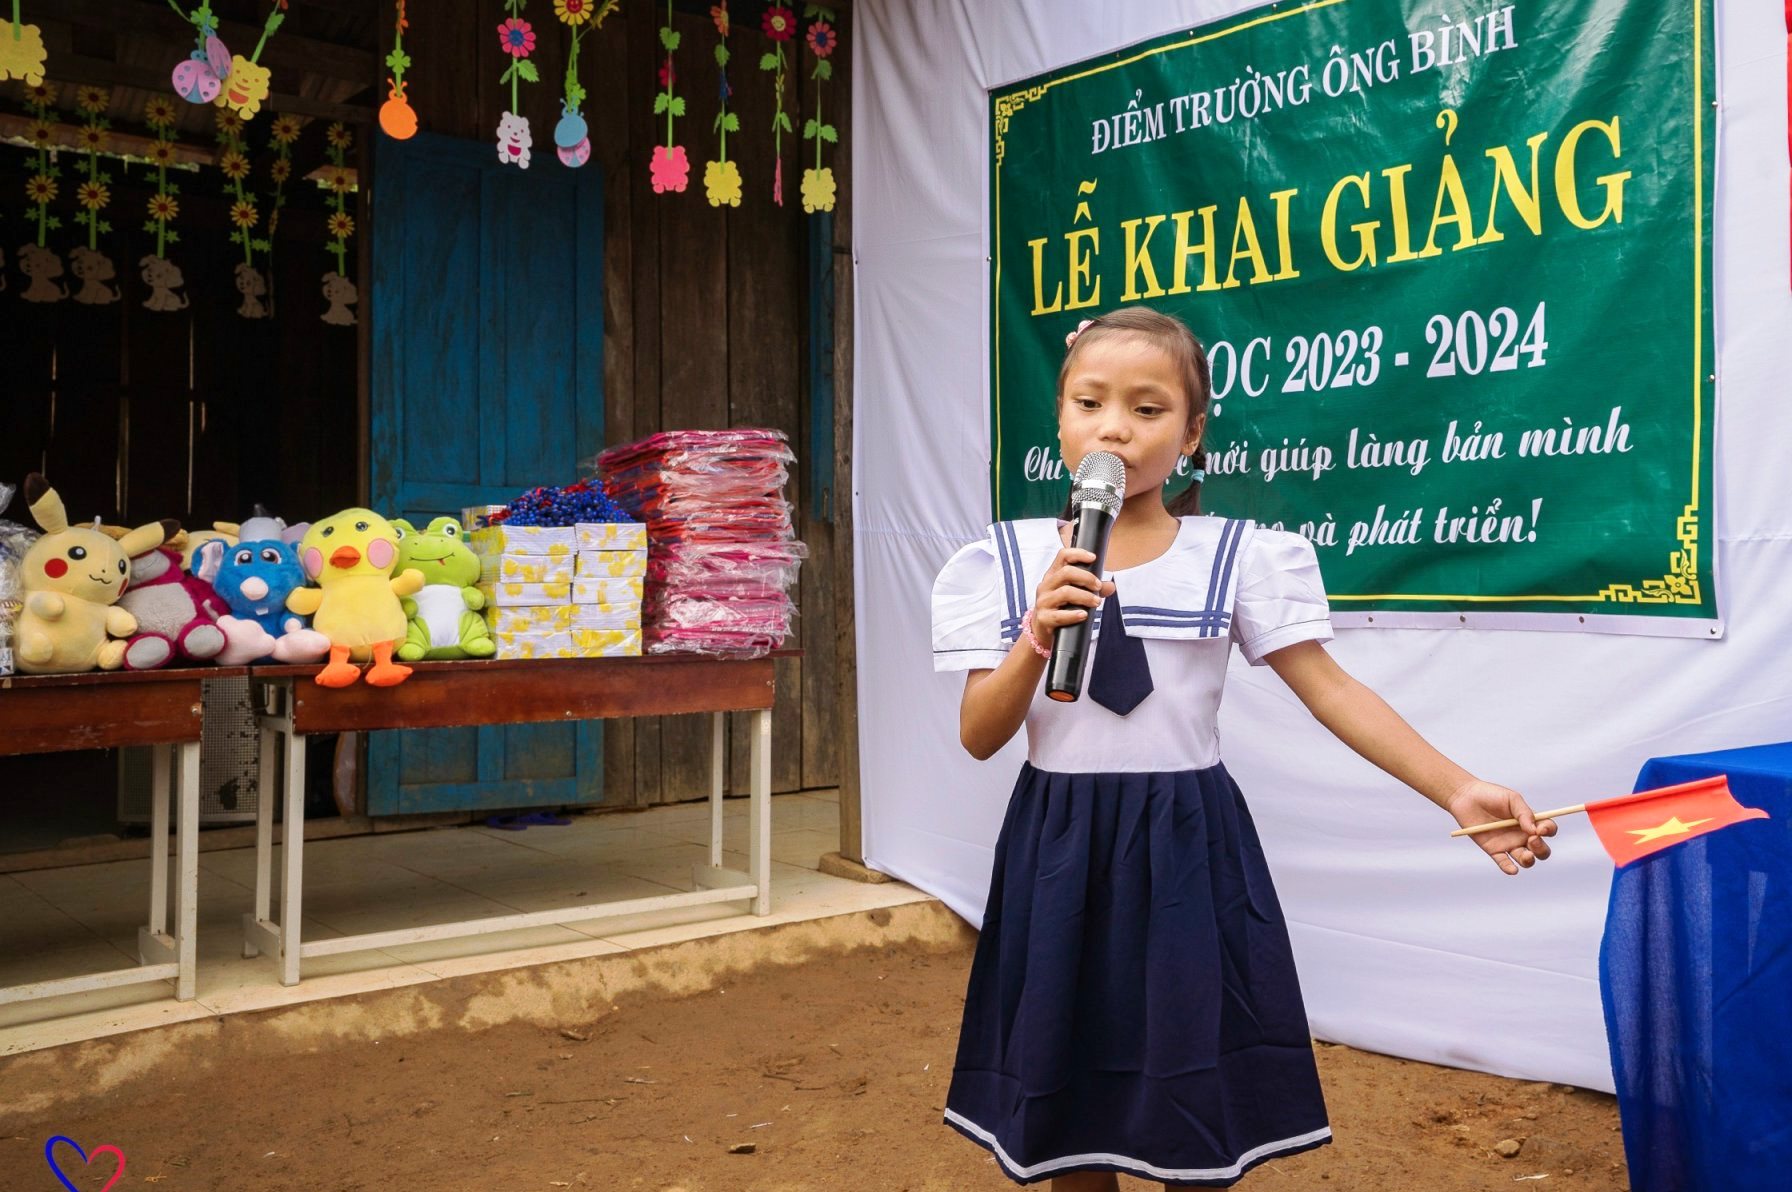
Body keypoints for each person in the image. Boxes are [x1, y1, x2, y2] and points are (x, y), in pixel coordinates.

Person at [929, 306, 1556, 1189]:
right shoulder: (997, 561)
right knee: (1065, 1090)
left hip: (1187, 843)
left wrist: (1455, 787)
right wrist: (1036, 635)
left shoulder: (1240, 556)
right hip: (1059, 847)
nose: (1115, 427)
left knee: (1196, 1086)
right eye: (1090, 402)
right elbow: (980, 734)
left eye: (1148, 410)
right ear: (1060, 418)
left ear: (1191, 433)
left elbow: (1331, 688)